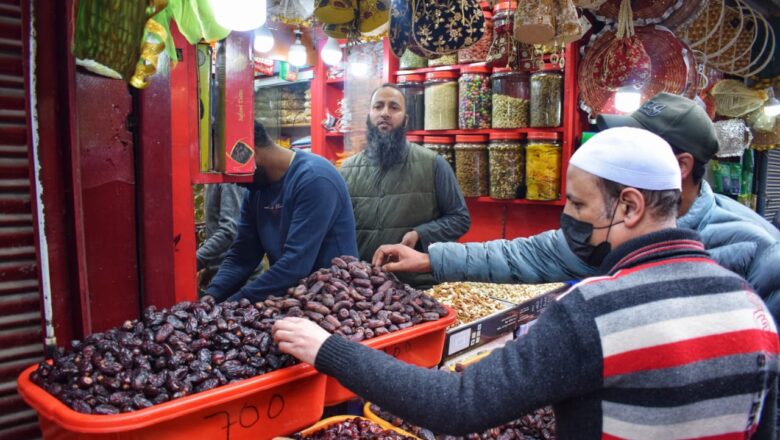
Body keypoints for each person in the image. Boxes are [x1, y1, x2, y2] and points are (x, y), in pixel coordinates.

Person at [274, 127, 779, 438]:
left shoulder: (593, 313)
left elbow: (458, 404)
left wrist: (329, 350)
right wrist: (433, 259)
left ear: (629, 206)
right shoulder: (749, 306)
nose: (568, 218)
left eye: (579, 206)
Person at [373, 93, 780, 319]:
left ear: (678, 166)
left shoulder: (755, 250)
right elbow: (527, 255)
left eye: (632, 147)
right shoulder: (609, 228)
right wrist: (430, 260)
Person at [201, 120, 358, 303]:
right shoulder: (255, 190)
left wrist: (232, 305)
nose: (231, 180)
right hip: (294, 300)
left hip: (335, 302)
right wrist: (212, 296)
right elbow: (242, 256)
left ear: (248, 152)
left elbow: (295, 266)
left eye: (231, 171)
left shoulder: (315, 179)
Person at [339, 84, 470, 288]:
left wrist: (420, 233)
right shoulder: (347, 170)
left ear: (406, 119)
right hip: (363, 290)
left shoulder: (433, 164)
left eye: (394, 107)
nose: (385, 113)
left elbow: (460, 219)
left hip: (420, 288)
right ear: (369, 116)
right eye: (378, 106)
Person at [196, 183, 245, 292]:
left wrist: (195, 261)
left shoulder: (228, 181)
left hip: (235, 276)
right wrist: (210, 266)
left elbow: (229, 231)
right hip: (221, 273)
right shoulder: (214, 176)